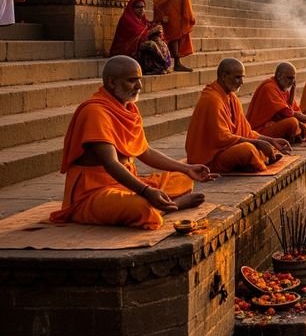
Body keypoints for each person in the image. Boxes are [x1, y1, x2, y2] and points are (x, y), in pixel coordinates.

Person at [50, 56, 214, 229]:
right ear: (112, 82)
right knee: (140, 207)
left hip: (125, 183)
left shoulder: (129, 108)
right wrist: (145, 191)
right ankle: (172, 206)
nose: (139, 86)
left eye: (140, 80)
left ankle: (158, 203)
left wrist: (187, 168)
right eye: (132, 80)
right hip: (95, 192)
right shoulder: (95, 112)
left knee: (183, 179)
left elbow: (145, 151)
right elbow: (111, 163)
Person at [185, 59, 291, 172]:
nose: (241, 82)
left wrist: (271, 140)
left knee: (259, 145)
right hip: (208, 159)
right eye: (237, 77)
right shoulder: (212, 100)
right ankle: (257, 161)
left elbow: (246, 132)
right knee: (248, 149)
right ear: (224, 76)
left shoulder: (231, 97)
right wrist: (257, 143)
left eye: (242, 77)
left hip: (225, 148)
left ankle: (257, 159)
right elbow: (222, 138)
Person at [246, 62, 306, 143]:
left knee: (298, 119)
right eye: (289, 78)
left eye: (294, 78)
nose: (292, 81)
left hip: (275, 123)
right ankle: (299, 134)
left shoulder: (282, 87)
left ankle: (298, 134)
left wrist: (292, 92)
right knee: (292, 122)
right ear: (279, 76)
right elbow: (287, 113)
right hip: (260, 130)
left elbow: (291, 110)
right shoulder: (269, 88)